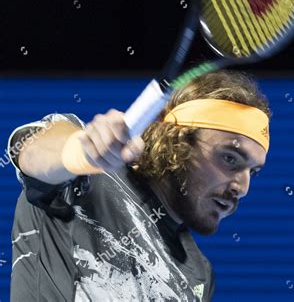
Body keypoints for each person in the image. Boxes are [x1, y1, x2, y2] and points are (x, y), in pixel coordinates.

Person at [8, 71, 271, 301]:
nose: (243, 186)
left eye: (253, 172)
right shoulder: (89, 178)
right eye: (230, 158)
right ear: (177, 140)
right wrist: (80, 152)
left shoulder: (200, 274)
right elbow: (32, 151)